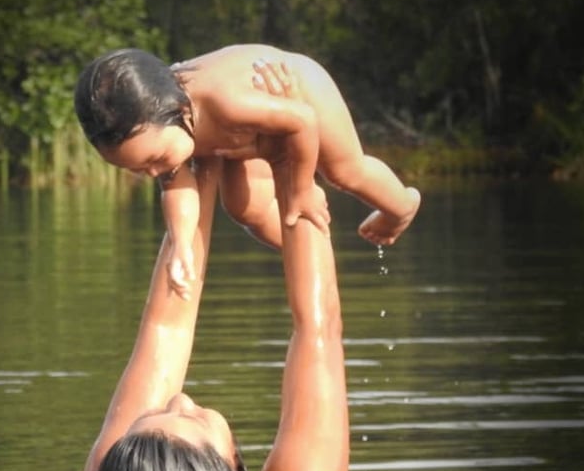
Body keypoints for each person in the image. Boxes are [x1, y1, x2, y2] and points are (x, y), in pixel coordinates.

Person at [80, 92, 366, 471]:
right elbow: (318, 328)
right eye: (190, 418)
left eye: (160, 413)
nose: (180, 397)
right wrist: (287, 153)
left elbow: (167, 322)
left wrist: (194, 140)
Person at [74, 44, 421, 298]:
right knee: (245, 208)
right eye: (138, 169)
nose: (153, 172)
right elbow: (176, 188)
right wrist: (180, 245)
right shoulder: (160, 130)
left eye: (154, 159)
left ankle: (401, 207)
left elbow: (302, 121)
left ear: (179, 108)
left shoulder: (225, 103)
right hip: (243, 136)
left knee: (344, 172)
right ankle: (308, 252)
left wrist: (300, 189)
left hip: (299, 94)